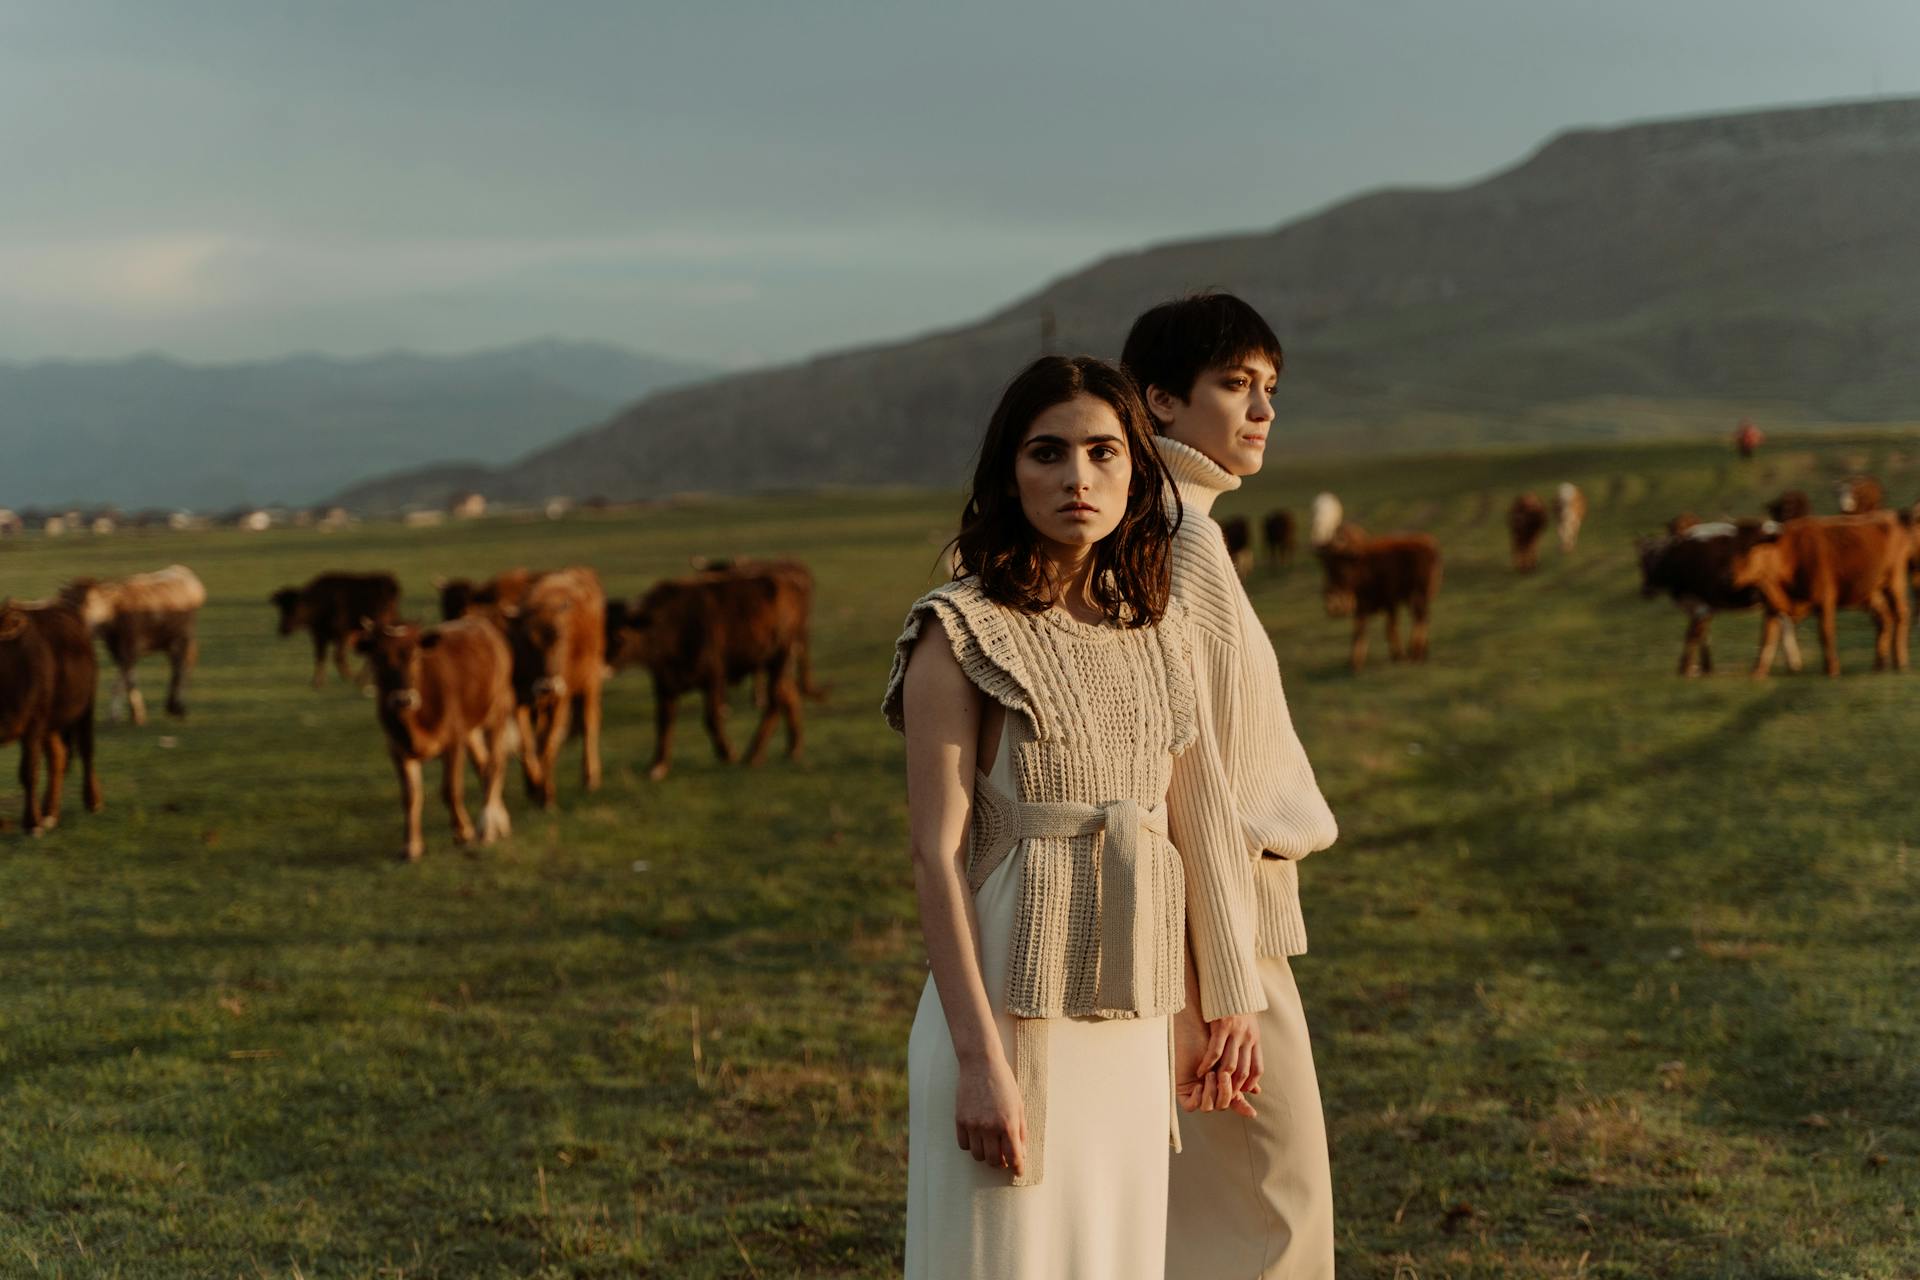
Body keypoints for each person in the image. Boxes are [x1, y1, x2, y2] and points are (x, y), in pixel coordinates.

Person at [884, 355, 1266, 1280]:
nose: (1076, 479)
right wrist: (979, 1063)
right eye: (1047, 453)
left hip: (1129, 1023)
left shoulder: (1157, 630)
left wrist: (1199, 1005)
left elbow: (1170, 836)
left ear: (1138, 470)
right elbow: (937, 859)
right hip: (1008, 1019)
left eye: (1102, 453)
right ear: (1008, 475)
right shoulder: (957, 626)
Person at [1122, 293, 1342, 1279]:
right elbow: (1191, 777)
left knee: (1209, 1211)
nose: (1261, 411)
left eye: (1270, 389)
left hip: (1203, 915)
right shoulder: (1186, 540)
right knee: (1274, 1210)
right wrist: (1223, 984)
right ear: (1158, 400)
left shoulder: (1165, 524)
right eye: (1232, 385)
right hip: (1224, 920)